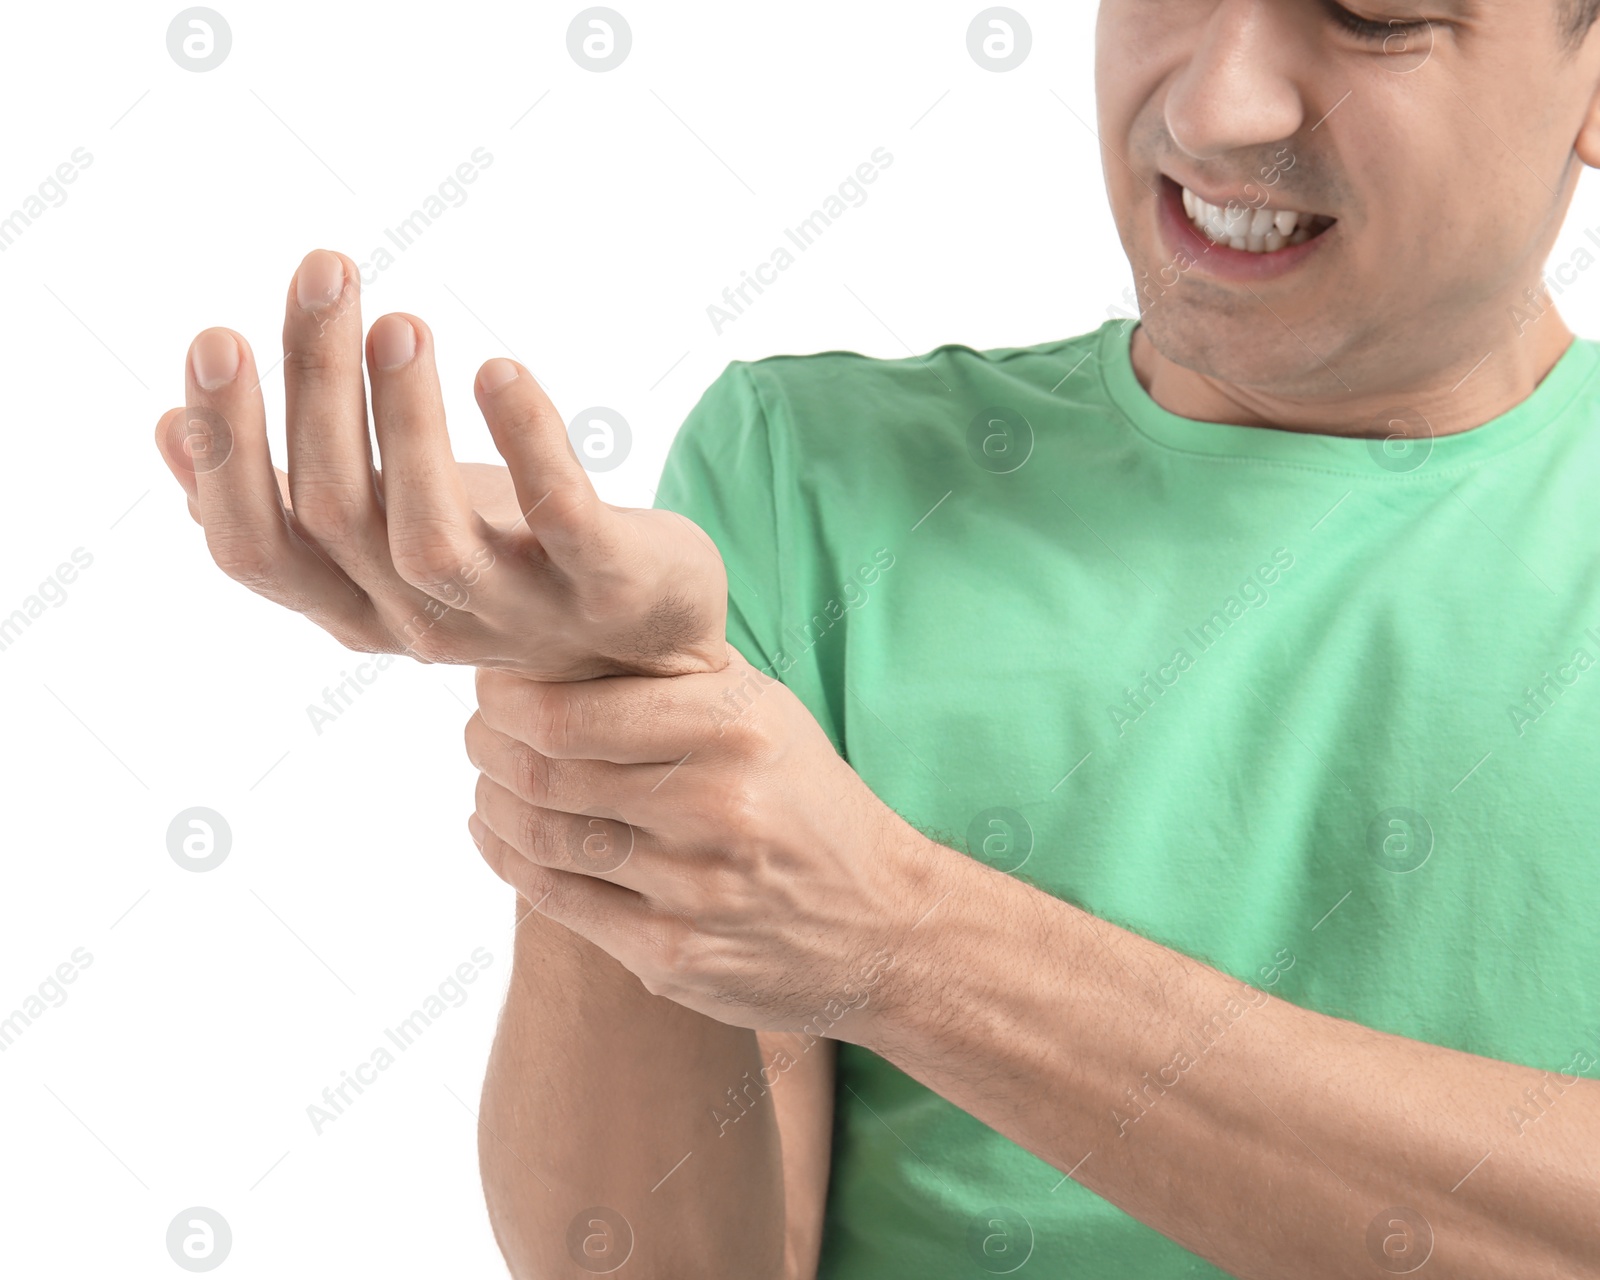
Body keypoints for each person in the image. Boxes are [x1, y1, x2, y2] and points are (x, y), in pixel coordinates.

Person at [154, 2, 1600, 1275]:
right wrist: (598, 698)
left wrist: (903, 942)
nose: (1218, 104)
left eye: (1374, 14)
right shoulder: (809, 481)